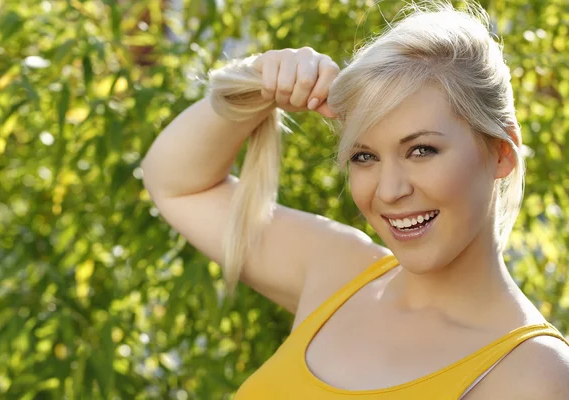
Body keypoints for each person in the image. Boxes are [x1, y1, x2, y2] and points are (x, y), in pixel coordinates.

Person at [141, 0, 569, 398]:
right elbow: (178, 185)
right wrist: (255, 84)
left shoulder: (534, 375)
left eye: (421, 150)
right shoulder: (337, 271)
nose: (388, 190)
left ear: (501, 153)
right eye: (365, 156)